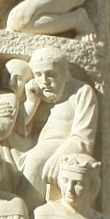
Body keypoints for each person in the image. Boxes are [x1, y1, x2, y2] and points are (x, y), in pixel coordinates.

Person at [19, 46, 98, 203]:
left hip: (65, 150)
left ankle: (29, 213)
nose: (44, 81)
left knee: (35, 161)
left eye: (50, 74)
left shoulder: (81, 92)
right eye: (38, 75)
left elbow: (83, 138)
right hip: (30, 149)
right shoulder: (36, 94)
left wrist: (59, 156)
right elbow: (16, 129)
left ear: (63, 73)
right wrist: (31, 103)